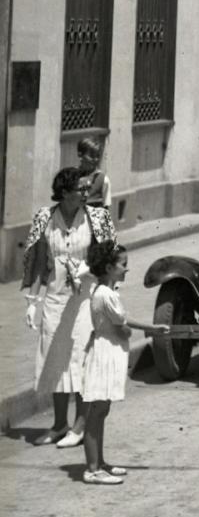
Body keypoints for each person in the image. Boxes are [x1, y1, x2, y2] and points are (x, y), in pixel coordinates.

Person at [21, 167, 115, 448]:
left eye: (88, 188)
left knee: (83, 362)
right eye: (80, 189)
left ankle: (80, 425)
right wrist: (32, 301)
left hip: (86, 298)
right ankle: (59, 424)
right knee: (55, 361)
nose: (86, 193)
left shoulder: (98, 218)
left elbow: (110, 256)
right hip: (55, 299)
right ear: (64, 192)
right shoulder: (44, 218)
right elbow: (38, 262)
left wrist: (88, 268)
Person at [79, 240, 168, 484]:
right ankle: (92, 470)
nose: (126, 269)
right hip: (104, 355)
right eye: (123, 264)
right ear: (109, 267)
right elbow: (122, 325)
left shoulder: (103, 291)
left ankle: (100, 462)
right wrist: (151, 328)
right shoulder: (106, 294)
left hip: (106, 352)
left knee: (101, 410)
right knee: (96, 412)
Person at [77, 138, 111, 210]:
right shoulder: (72, 176)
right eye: (91, 156)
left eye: (97, 156)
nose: (96, 159)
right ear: (80, 156)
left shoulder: (103, 179)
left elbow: (106, 207)